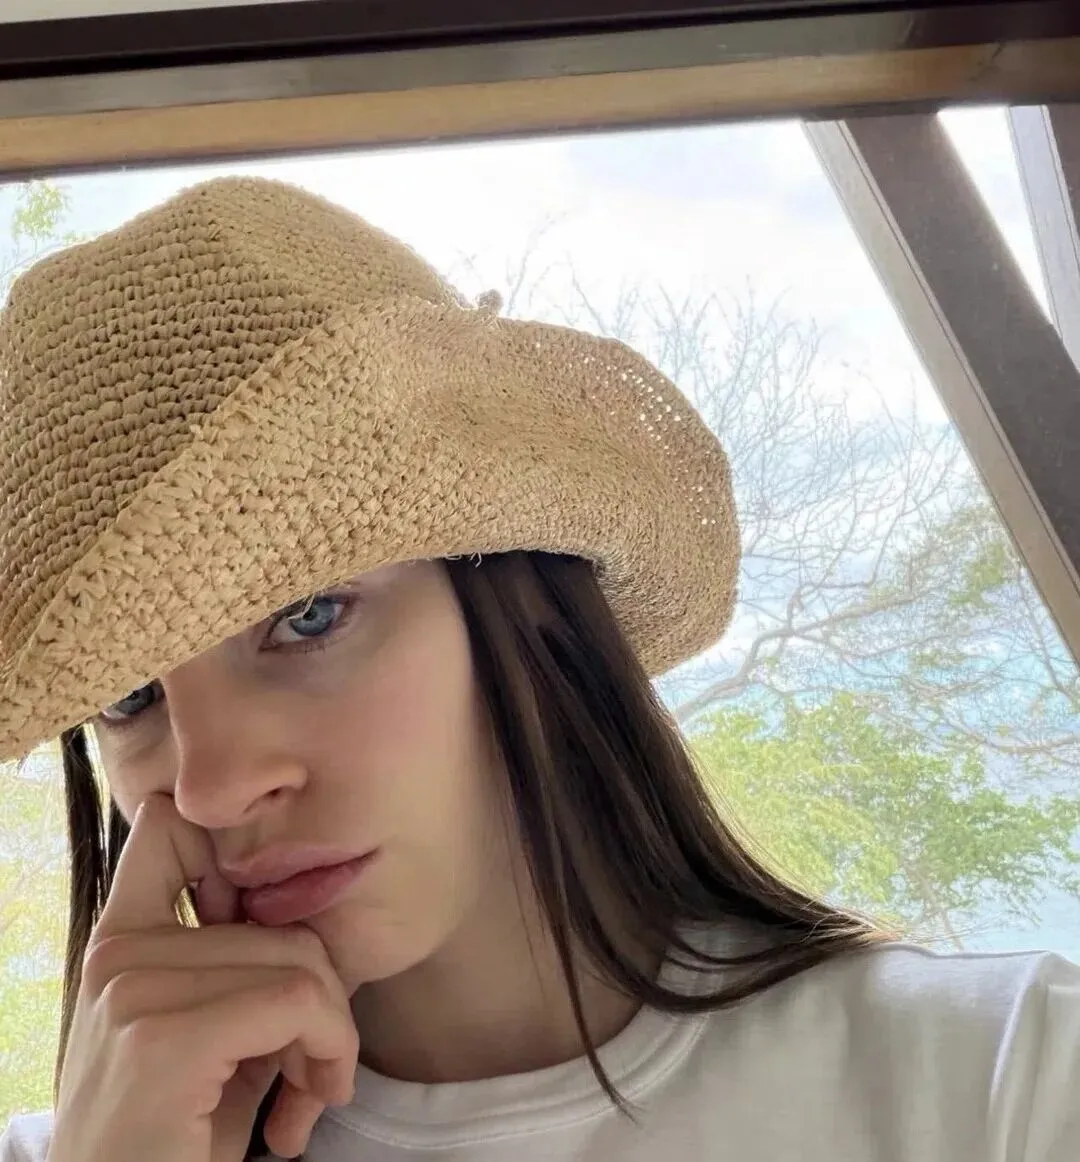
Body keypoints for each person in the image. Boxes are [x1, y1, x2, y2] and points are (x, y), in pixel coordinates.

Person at [0, 176, 1076, 1162]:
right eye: (126, 695)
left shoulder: (1008, 1081)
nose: (212, 787)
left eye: (309, 614)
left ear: (515, 602)